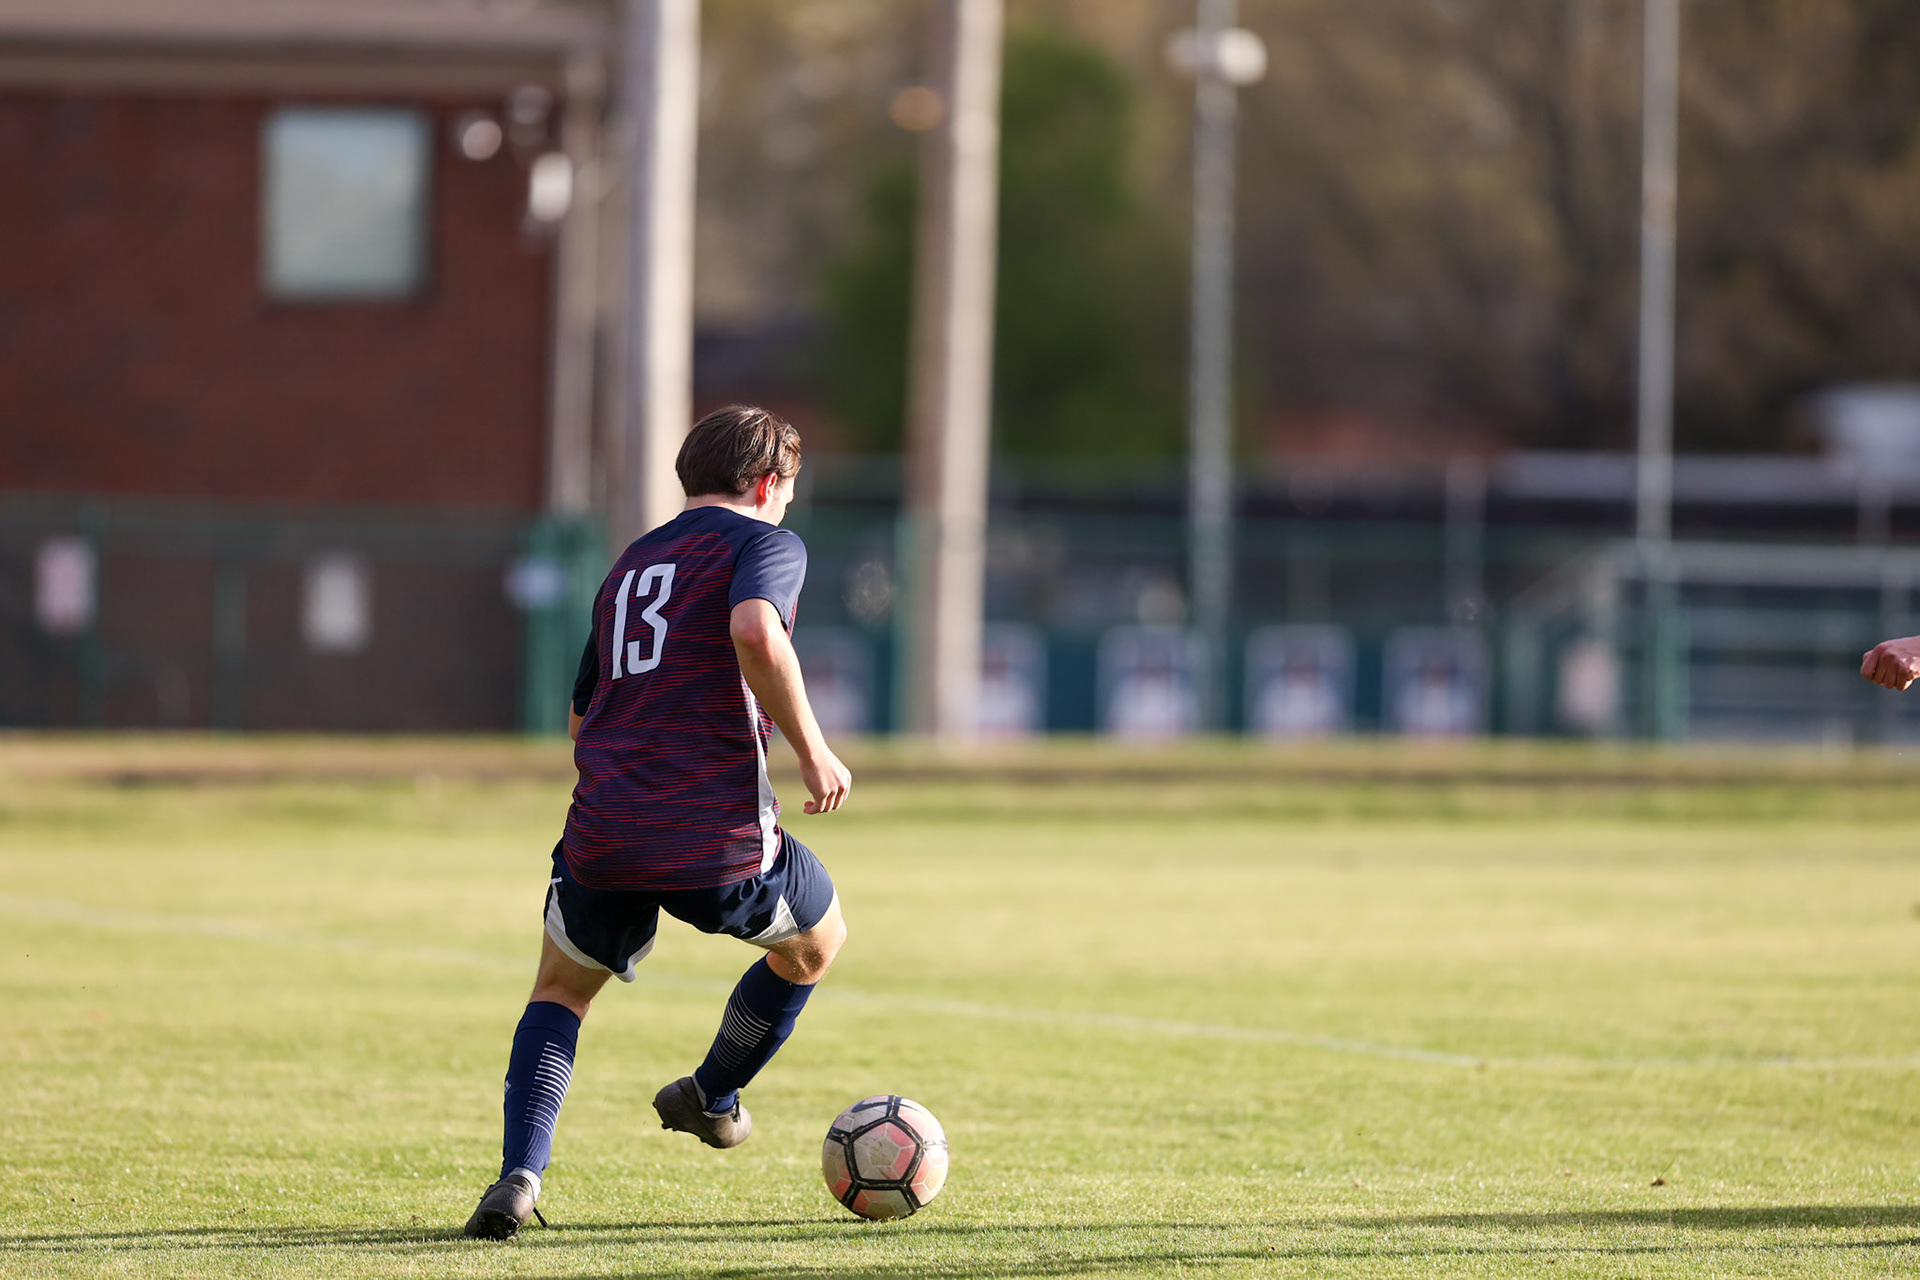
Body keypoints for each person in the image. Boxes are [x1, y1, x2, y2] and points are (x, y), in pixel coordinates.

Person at [464, 405, 853, 1240]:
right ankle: (712, 1094)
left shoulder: (633, 563)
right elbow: (755, 630)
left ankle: (518, 1175)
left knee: (561, 992)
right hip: (713, 836)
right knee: (819, 943)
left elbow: (580, 719)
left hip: (604, 825)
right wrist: (813, 751)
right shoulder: (766, 543)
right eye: (788, 489)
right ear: (765, 482)